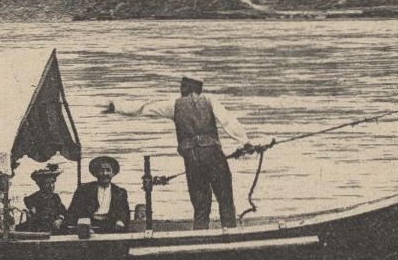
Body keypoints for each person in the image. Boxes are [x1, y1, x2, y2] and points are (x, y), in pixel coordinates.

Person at [105, 76, 247, 230]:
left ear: (190, 87)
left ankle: (199, 239)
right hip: (213, 156)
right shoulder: (210, 101)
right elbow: (228, 120)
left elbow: (144, 108)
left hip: (192, 160)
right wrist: (244, 142)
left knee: (200, 205)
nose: (180, 88)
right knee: (225, 200)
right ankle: (231, 234)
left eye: (183, 85)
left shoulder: (174, 105)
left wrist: (116, 107)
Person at [65, 155, 131, 234]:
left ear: (113, 173)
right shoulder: (84, 190)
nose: (104, 173)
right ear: (96, 173)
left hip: (112, 226)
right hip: (89, 226)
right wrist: (82, 224)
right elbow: (73, 211)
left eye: (108, 170)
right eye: (101, 170)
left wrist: (121, 221)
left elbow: (125, 213)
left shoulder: (120, 192)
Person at [18, 164, 70, 233]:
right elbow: (35, 218)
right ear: (40, 184)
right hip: (38, 232)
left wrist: (59, 220)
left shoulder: (55, 197)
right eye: (47, 183)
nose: (51, 186)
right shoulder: (31, 199)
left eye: (52, 183)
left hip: (55, 230)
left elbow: (63, 212)